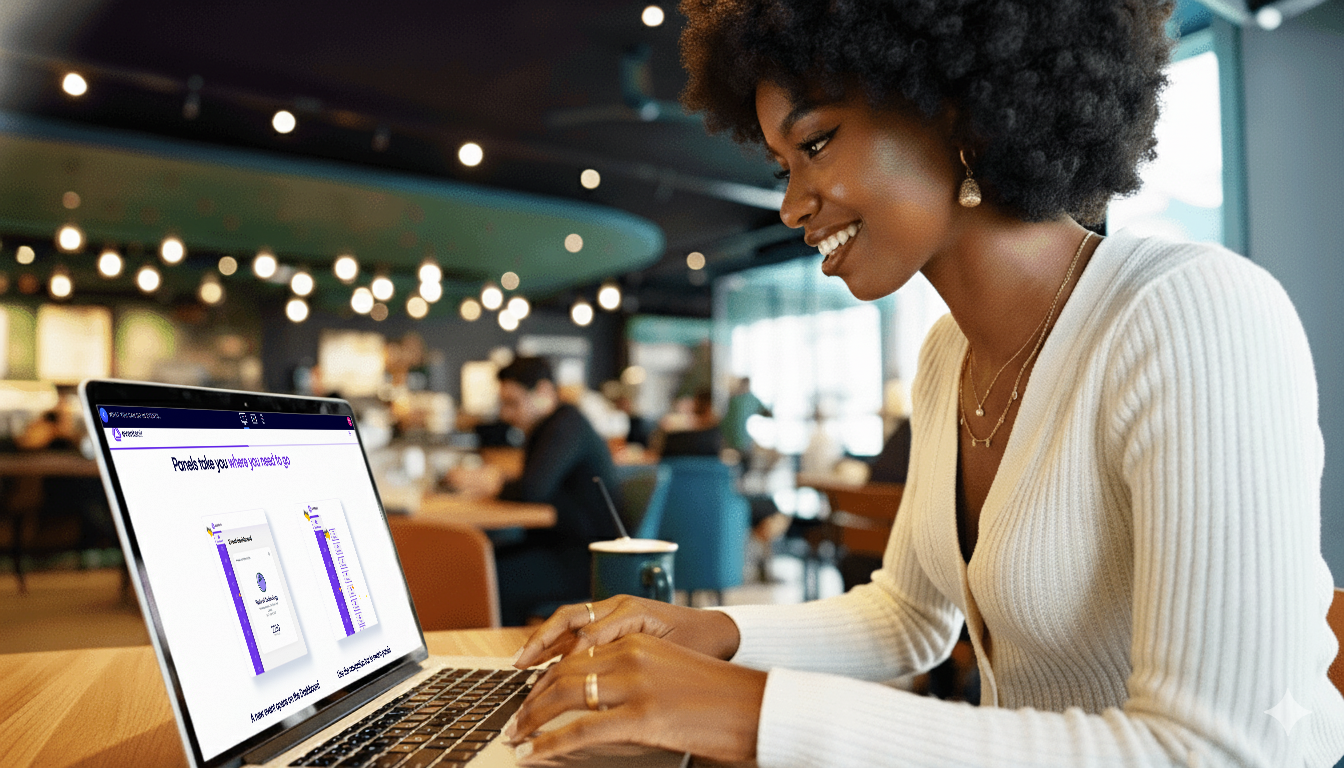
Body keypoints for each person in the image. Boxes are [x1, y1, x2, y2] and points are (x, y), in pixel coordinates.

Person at [497, 2, 1344, 766]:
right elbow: (907, 617)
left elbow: (1217, 752)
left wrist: (749, 714)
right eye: (783, 164)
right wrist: (710, 633)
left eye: (817, 142)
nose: (792, 205)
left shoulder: (1192, 313)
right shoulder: (949, 356)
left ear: (960, 106)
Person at [447, 357, 622, 625]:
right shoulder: (552, 427)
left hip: (586, 562)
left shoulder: (566, 425)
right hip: (561, 547)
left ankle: (505, 657)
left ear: (543, 392)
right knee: (475, 561)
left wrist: (494, 483)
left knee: (483, 576)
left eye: (513, 403)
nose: (506, 414)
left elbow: (532, 489)